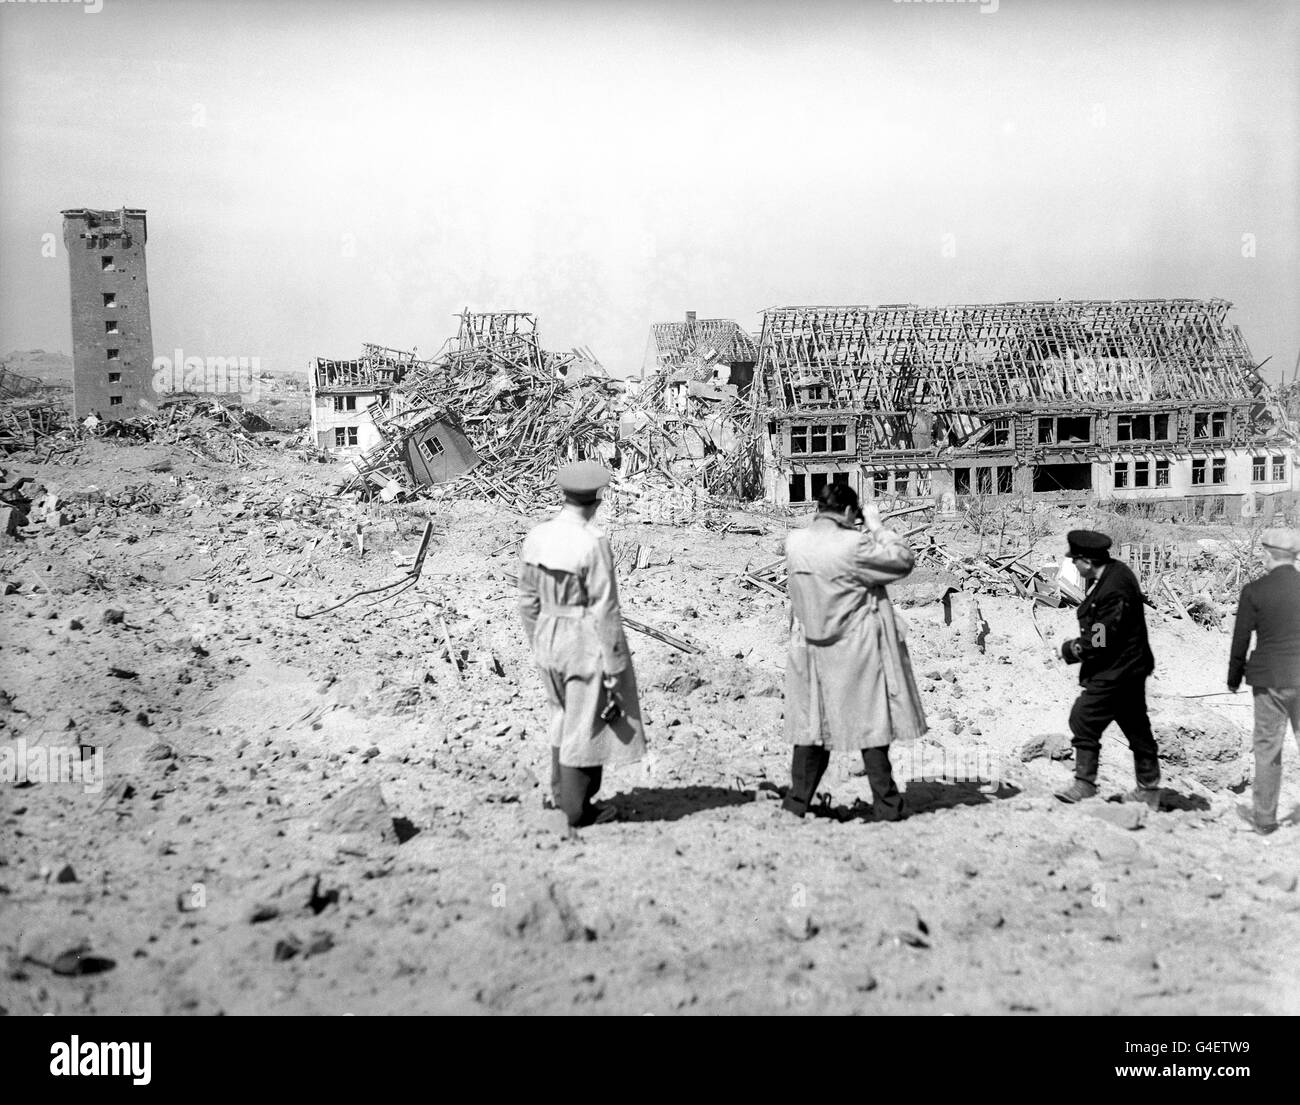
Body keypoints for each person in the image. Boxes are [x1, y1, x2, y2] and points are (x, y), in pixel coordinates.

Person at [781, 482, 925, 821]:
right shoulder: (855, 544)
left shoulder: (795, 541)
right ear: (849, 512)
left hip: (811, 649)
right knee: (872, 728)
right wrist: (875, 525)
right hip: (855, 650)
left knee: (811, 729)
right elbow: (902, 561)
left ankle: (795, 803)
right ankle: (888, 807)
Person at [517, 461, 645, 835]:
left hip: (546, 632)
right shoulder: (593, 541)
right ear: (598, 498)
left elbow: (526, 599)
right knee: (583, 722)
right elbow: (605, 608)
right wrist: (616, 662)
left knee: (559, 714)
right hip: (581, 636)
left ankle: (558, 795)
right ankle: (577, 809)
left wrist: (538, 638)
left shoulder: (538, 535)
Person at [1054, 529, 1161, 806]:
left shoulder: (1112, 591)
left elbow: (1099, 640)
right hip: (1130, 666)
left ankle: (1084, 784)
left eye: (1075, 561)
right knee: (1136, 726)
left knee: (1083, 718)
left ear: (1087, 562)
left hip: (1116, 671)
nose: (1074, 566)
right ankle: (1148, 790)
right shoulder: (1116, 572)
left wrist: (1069, 649)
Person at [1227, 528, 1300, 836]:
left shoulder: (1254, 591)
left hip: (1269, 679)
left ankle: (1265, 819)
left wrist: (1233, 678)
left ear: (1269, 555)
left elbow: (1241, 638)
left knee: (1268, 748)